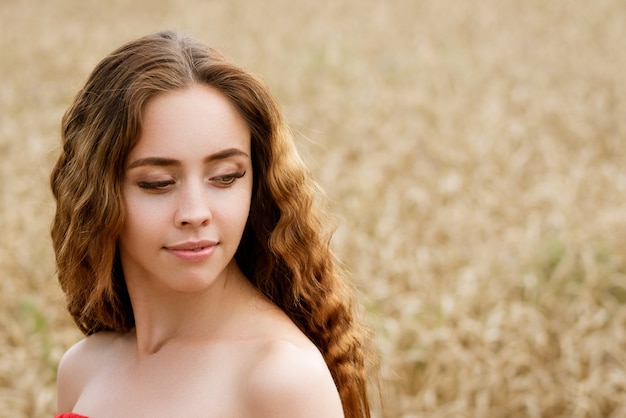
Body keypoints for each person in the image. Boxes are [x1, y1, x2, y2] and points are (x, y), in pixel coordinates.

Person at [50, 30, 377, 418]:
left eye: (225, 177)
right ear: (95, 197)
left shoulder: (283, 380)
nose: (195, 212)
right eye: (158, 183)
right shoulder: (83, 368)